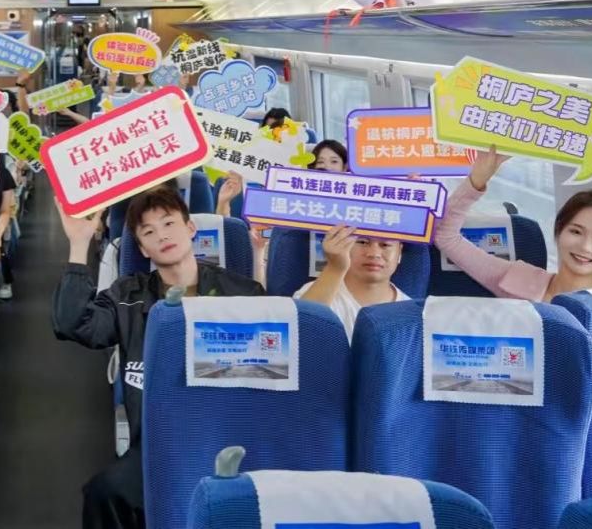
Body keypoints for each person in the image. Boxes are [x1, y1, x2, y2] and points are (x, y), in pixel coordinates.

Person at [53, 185, 264, 529]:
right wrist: (78, 245)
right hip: (162, 443)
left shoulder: (243, 294)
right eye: (149, 232)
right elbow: (72, 323)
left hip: (232, 432)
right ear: (141, 248)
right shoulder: (128, 295)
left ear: (190, 228)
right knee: (104, 492)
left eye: (169, 224)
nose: (162, 236)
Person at [435, 147, 592, 300]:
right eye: (576, 232)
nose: (585, 247)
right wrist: (476, 180)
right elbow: (446, 236)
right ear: (559, 230)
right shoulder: (518, 281)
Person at [296, 225, 410, 340]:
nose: (374, 253)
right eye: (362, 242)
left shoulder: (412, 314)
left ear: (399, 252)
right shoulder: (313, 293)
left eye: (385, 245)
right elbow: (299, 337)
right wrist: (335, 268)